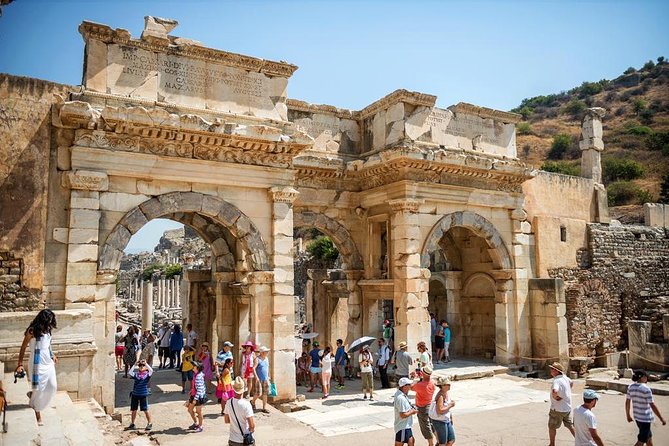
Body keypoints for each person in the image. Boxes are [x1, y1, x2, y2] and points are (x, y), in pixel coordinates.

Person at [15, 309, 58, 425]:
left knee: (52, 387)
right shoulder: (32, 331)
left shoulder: (48, 330)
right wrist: (19, 364)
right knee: (38, 389)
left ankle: (32, 395)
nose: (50, 322)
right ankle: (37, 413)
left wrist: (52, 355)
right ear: (43, 319)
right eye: (49, 320)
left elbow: (48, 345)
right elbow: (23, 347)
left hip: (48, 362)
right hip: (36, 363)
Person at [626, 369, 666, 446]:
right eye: (646, 377)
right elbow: (652, 405)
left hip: (637, 417)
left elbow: (627, 402)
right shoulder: (646, 389)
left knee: (648, 438)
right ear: (642, 377)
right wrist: (661, 418)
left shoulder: (630, 387)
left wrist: (628, 415)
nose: (647, 378)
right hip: (645, 419)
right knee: (641, 441)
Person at [548, 362, 575, 446]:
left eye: (552, 369)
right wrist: (566, 391)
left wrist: (556, 397)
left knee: (552, 427)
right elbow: (571, 383)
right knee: (570, 425)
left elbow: (554, 391)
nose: (551, 371)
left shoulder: (556, 381)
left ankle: (552, 444)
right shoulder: (565, 378)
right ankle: (581, 441)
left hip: (557, 409)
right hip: (567, 407)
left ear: (556, 371)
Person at [224, 377, 256, 446]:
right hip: (244, 441)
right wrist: (251, 430)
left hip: (232, 440)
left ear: (234, 389)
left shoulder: (229, 402)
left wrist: (234, 420)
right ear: (243, 389)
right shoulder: (246, 404)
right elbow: (252, 425)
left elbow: (226, 420)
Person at [126, 359, 153, 431]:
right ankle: (132, 424)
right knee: (134, 410)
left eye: (143, 366)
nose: (141, 366)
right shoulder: (136, 375)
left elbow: (151, 371)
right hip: (135, 394)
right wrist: (134, 365)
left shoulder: (147, 375)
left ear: (146, 368)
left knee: (145, 409)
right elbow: (130, 372)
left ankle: (149, 423)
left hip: (143, 395)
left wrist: (146, 363)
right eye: (140, 365)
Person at [429, 376, 456, 446]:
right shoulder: (440, 396)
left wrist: (450, 417)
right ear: (443, 385)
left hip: (446, 420)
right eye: (448, 384)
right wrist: (450, 405)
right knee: (442, 443)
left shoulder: (446, 393)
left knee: (451, 440)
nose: (450, 385)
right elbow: (440, 411)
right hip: (439, 422)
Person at [412, 365, 435, 446]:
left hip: (422, 407)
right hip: (430, 405)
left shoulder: (420, 385)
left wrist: (415, 378)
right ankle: (439, 440)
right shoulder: (432, 383)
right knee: (432, 425)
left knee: (425, 426)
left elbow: (412, 387)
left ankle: (431, 443)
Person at [394, 377, 418, 446]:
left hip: (405, 426)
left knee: (411, 441)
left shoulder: (402, 395)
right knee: (407, 442)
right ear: (404, 387)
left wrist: (412, 409)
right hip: (403, 426)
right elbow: (403, 415)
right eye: (409, 385)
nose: (411, 386)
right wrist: (412, 411)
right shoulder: (401, 398)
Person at [185, 361, 206, 433]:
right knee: (190, 410)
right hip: (194, 395)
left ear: (197, 368)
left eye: (194, 366)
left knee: (198, 412)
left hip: (198, 397)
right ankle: (196, 423)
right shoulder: (196, 374)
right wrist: (192, 390)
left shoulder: (198, 376)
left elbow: (200, 389)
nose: (193, 366)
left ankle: (200, 426)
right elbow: (196, 386)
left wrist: (195, 399)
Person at [253, 346, 271, 412]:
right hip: (259, 379)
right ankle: (252, 402)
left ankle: (264, 408)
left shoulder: (266, 358)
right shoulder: (257, 359)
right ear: (262, 352)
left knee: (265, 393)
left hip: (265, 379)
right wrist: (256, 377)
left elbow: (267, 368)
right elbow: (253, 368)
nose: (267, 352)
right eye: (266, 351)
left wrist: (269, 376)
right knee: (258, 393)